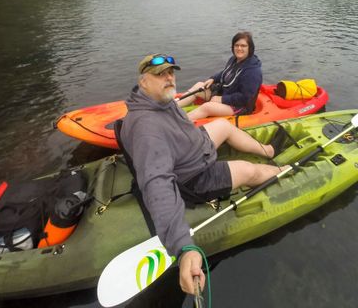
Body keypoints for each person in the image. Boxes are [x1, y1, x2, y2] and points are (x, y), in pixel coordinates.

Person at [120, 53, 288, 296]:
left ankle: (268, 150)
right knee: (249, 171)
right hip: (194, 175)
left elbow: (175, 120)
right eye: (160, 74)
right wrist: (183, 248)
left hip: (193, 147)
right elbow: (157, 185)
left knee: (223, 126)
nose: (169, 78)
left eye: (170, 72)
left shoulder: (158, 101)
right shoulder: (147, 129)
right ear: (143, 81)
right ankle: (284, 171)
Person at [178, 31, 262, 121]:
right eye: (236, 45)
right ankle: (172, 107)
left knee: (207, 107)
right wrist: (213, 79)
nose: (239, 48)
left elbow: (244, 98)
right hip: (226, 95)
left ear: (250, 48)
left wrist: (222, 99)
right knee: (199, 85)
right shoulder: (234, 59)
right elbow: (226, 73)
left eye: (243, 46)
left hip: (239, 106)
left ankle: (179, 123)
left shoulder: (253, 72)